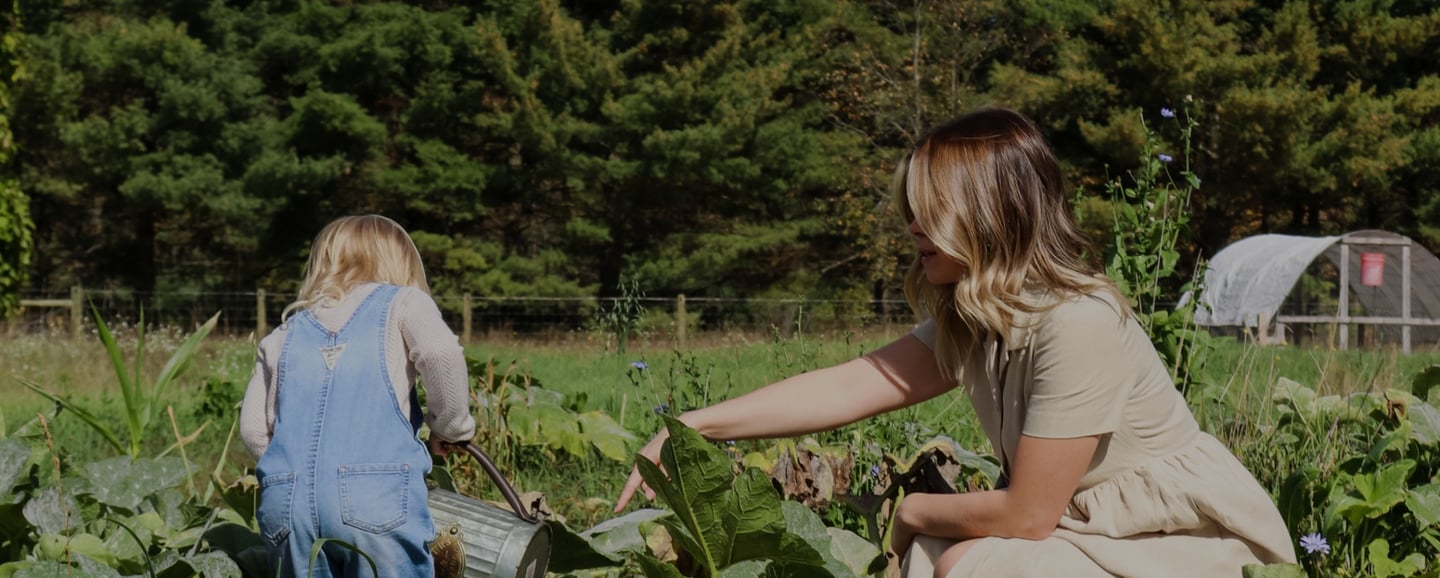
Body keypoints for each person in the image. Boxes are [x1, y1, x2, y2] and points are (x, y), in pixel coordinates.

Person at [615, 107, 1297, 577]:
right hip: (1086, 530)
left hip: (1182, 544)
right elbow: (852, 385)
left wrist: (911, 508)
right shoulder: (983, 315)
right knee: (942, 553)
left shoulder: (1078, 321)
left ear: (992, 212)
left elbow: (1028, 515)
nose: (912, 224)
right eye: (911, 207)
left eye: (931, 208)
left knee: (963, 559)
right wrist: (693, 427)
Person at [240, 214, 475, 578]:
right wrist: (450, 427)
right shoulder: (405, 303)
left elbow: (254, 429)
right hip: (376, 499)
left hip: (287, 505)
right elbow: (440, 353)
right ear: (402, 263)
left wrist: (295, 473)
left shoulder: (284, 333)